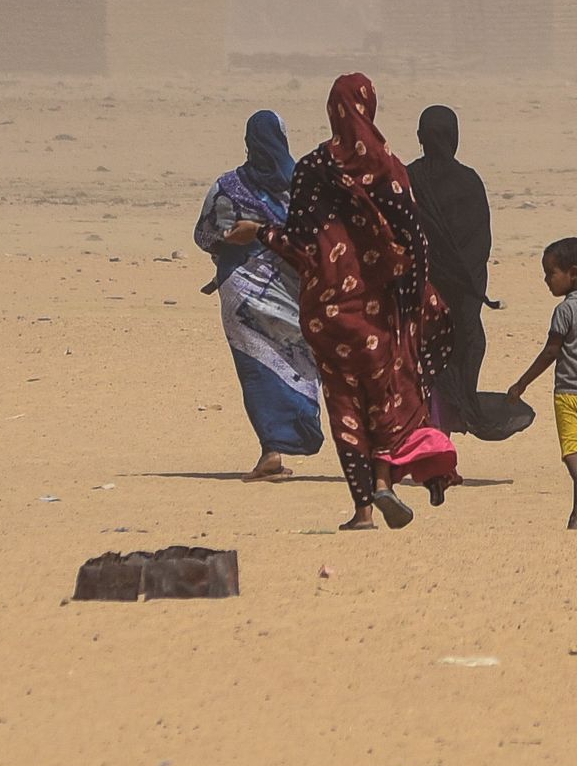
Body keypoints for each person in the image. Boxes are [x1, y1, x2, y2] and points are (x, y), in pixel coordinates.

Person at [274, 74, 463, 529]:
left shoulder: (310, 167)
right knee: (390, 395)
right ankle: (385, 480)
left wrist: (258, 233)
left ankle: (362, 511)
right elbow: (415, 239)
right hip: (381, 307)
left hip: (326, 310)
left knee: (344, 404)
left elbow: (299, 244)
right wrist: (414, 298)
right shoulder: (388, 168)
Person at [192, 108, 323, 480]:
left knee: (257, 369)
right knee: (300, 362)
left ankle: (272, 449)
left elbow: (203, 236)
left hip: (240, 292)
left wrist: (231, 240)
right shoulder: (304, 186)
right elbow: (317, 238)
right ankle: (291, 436)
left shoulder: (227, 185)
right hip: (294, 292)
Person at [503, 236, 577, 530]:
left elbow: (552, 352)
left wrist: (521, 383)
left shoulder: (565, 310)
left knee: (571, 453)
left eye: (551, 273)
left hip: (569, 392)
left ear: (573, 273)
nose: (546, 280)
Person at [413, 105, 497, 428]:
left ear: (420, 138)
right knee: (463, 350)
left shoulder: (409, 179)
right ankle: (439, 435)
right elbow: (480, 245)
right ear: (455, 137)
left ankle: (433, 434)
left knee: (424, 361)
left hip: (421, 294)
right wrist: (471, 287)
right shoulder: (470, 183)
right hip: (462, 297)